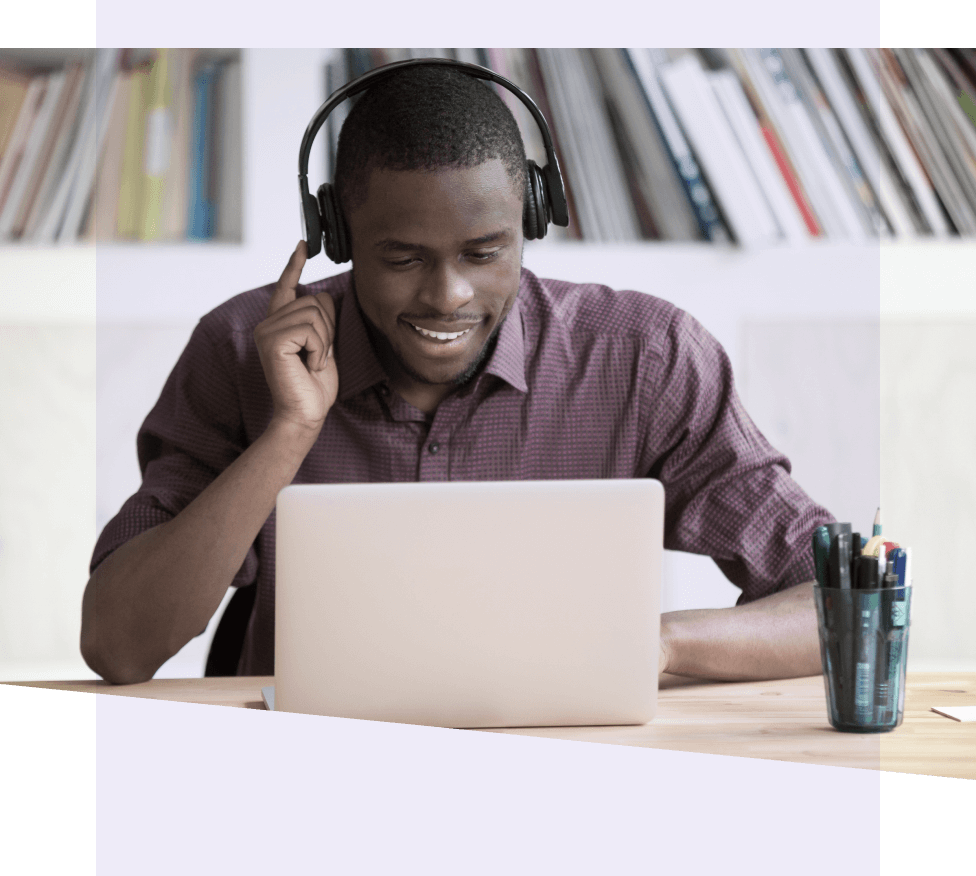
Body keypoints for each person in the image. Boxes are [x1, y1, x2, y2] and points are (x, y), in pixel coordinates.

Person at [81, 63, 833, 685]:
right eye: (403, 258)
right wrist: (289, 432)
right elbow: (118, 646)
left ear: (533, 218)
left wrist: (660, 644)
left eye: (484, 253)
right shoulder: (243, 348)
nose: (448, 296)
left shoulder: (645, 357)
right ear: (337, 233)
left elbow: (838, 605)